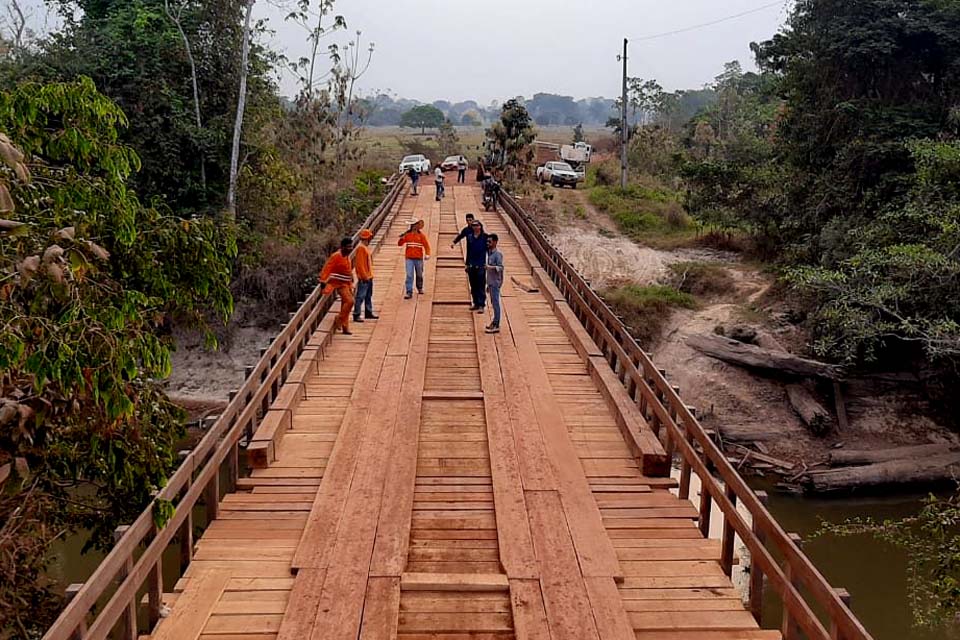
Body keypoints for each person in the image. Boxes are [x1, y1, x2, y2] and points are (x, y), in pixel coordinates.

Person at [319, 237, 356, 335]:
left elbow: (348, 269)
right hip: (338, 283)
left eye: (351, 246)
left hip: (346, 283)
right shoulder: (336, 256)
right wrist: (323, 280)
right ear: (342, 247)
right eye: (348, 247)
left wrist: (351, 279)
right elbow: (327, 267)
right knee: (350, 301)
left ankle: (345, 327)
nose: (350, 248)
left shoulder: (347, 256)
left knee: (345, 304)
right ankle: (339, 319)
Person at [398, 218, 431, 299]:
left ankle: (419, 287)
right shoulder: (407, 235)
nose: (414, 226)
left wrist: (427, 254)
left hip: (418, 258)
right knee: (409, 275)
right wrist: (401, 239)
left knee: (419, 274)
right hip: (409, 258)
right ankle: (409, 291)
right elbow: (400, 244)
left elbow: (426, 246)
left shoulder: (421, 236)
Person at [352, 228, 378, 323]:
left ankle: (368, 312)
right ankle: (357, 313)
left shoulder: (365, 247)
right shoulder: (361, 248)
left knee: (368, 295)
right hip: (364, 277)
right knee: (361, 296)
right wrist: (363, 276)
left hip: (369, 275)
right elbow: (359, 264)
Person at [462, 219, 488, 312]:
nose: (475, 227)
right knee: (473, 285)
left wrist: (488, 263)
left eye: (477, 225)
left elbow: (489, 250)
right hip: (472, 264)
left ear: (480, 226)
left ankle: (481, 304)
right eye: (473, 226)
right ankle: (476, 303)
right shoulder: (470, 237)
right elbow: (468, 251)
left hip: (481, 264)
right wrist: (467, 264)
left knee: (481, 285)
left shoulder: (485, 237)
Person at [485, 233, 504, 333]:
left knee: (496, 303)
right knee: (493, 302)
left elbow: (500, 267)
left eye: (490, 242)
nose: (488, 243)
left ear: (495, 242)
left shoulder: (498, 255)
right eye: (487, 241)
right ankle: (494, 322)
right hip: (491, 282)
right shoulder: (490, 254)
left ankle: (496, 324)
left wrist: (490, 267)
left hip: (496, 283)